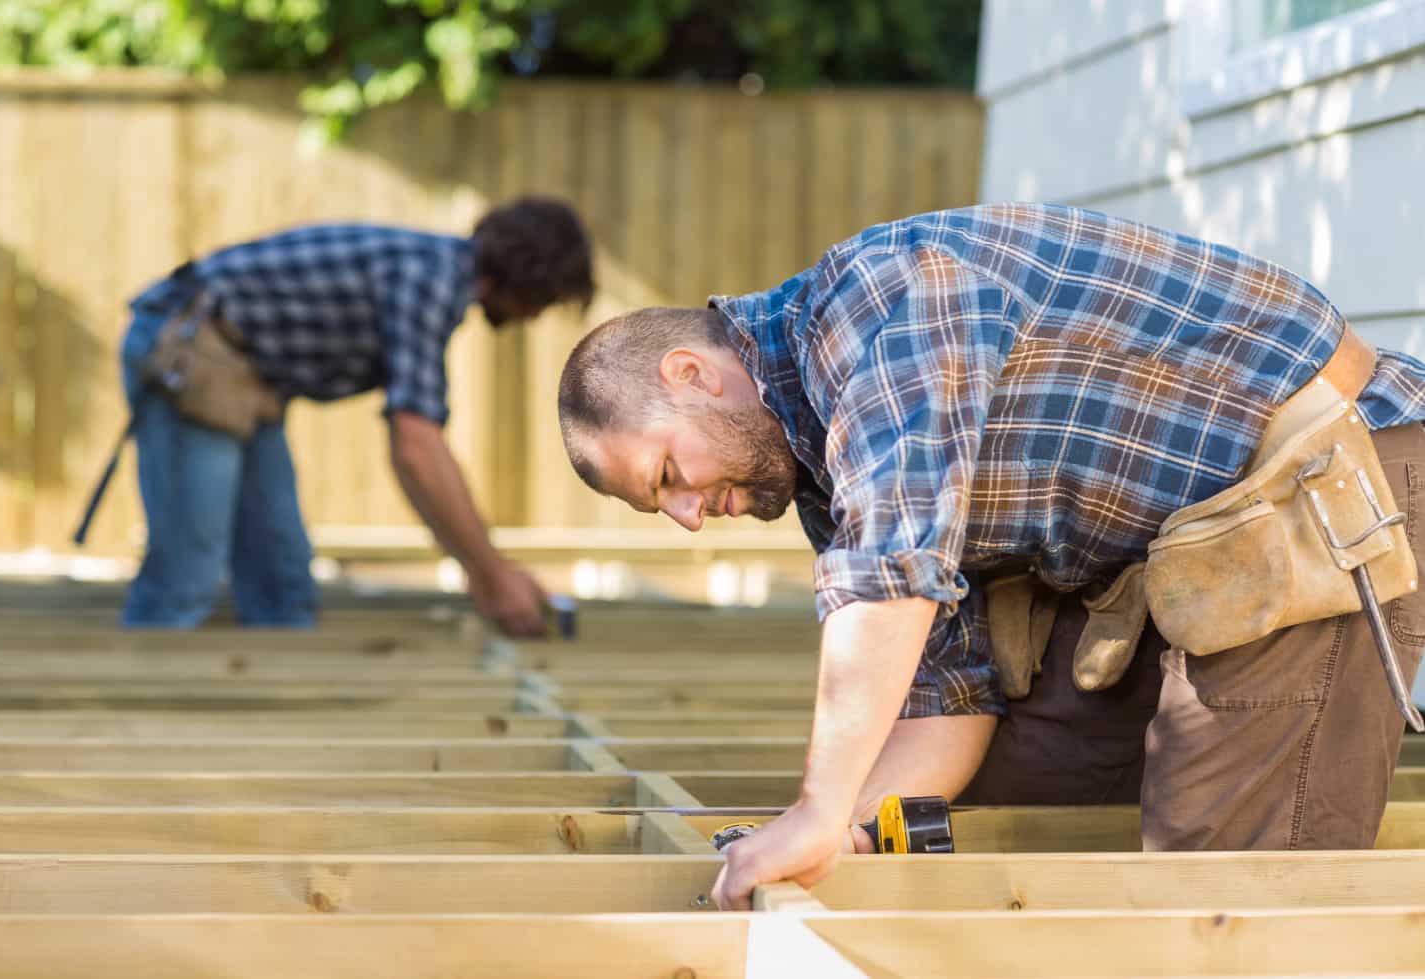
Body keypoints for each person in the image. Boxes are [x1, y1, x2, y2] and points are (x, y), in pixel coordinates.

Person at [556, 203, 1425, 908]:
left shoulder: (876, 302)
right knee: (1028, 783)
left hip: (1328, 489)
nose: (686, 518)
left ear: (692, 374)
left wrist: (818, 805)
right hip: (1198, 558)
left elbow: (894, 562)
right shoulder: (826, 471)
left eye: (667, 472)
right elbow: (949, 694)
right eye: (659, 503)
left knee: (1223, 889)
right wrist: (845, 828)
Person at [111, 197, 593, 633]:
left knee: (282, 586)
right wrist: (491, 574)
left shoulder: (436, 273)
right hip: (190, 348)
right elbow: (416, 449)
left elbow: (417, 453)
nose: (534, 317)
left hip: (247, 372)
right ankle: (140, 697)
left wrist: (486, 571)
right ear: (531, 278)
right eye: (545, 302)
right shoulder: (430, 278)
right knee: (187, 573)